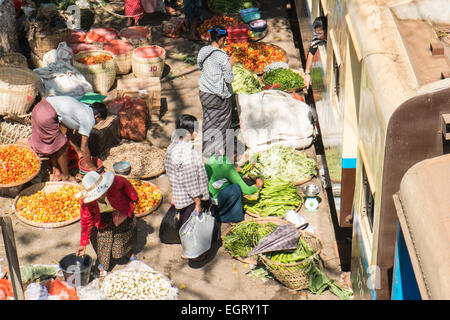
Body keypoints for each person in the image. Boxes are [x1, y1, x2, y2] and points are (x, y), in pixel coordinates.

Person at [164, 114, 217, 261]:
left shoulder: (173, 146)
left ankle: (189, 250)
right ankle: (196, 254)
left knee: (187, 223)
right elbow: (190, 180)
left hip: (181, 194)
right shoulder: (186, 153)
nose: (197, 133)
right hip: (189, 198)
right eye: (195, 130)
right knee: (194, 227)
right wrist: (198, 201)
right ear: (188, 133)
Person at [26, 96, 107, 182]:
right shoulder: (89, 119)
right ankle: (66, 176)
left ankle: (56, 172)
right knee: (63, 146)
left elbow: (69, 133)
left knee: (53, 143)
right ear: (97, 116)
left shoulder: (83, 108)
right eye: (100, 121)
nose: (99, 123)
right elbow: (85, 146)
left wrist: (79, 152)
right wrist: (92, 167)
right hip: (46, 115)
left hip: (38, 109)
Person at [75, 171, 139, 272]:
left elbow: (128, 187)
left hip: (121, 211)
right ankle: (103, 263)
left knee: (122, 241)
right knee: (103, 242)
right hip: (102, 218)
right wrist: (83, 243)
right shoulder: (86, 203)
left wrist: (134, 198)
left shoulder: (117, 182)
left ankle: (128, 251)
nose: (100, 197)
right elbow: (86, 221)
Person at [197, 25, 235, 158]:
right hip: (218, 96)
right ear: (221, 39)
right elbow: (229, 79)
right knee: (223, 123)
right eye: (224, 40)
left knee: (208, 120)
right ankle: (220, 154)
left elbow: (200, 65)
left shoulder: (203, 51)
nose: (224, 43)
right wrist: (231, 65)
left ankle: (207, 151)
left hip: (204, 93)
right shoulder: (222, 56)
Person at [205, 154, 263, 223]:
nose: (240, 158)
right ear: (234, 154)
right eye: (239, 155)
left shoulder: (215, 157)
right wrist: (257, 186)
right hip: (217, 201)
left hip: (208, 197)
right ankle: (229, 217)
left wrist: (243, 172)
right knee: (235, 188)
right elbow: (247, 191)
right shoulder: (227, 166)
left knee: (234, 183)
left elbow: (233, 175)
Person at [304, 16, 327, 89]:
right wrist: (307, 74)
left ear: (326, 30)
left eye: (320, 33)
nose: (318, 36)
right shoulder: (317, 37)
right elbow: (310, 53)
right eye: (317, 34)